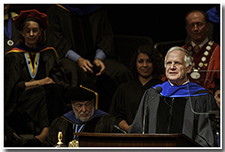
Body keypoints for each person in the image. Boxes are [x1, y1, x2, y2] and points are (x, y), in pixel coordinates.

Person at [46, 4, 131, 112]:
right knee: (72, 72)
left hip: (96, 57)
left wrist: (98, 58)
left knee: (120, 72)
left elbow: (106, 37)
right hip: (70, 58)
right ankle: (77, 121)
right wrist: (79, 59)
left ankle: (120, 118)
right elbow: (57, 41)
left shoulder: (97, 9)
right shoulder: (57, 10)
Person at [128, 46, 218, 147]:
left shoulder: (201, 97)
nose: (172, 67)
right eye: (169, 63)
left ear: (189, 68)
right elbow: (138, 130)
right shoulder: (153, 94)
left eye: (177, 63)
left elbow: (205, 136)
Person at [4, 9, 69, 145]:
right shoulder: (13, 56)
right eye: (28, 31)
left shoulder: (49, 53)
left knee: (52, 91)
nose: (31, 34)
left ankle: (49, 132)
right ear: (21, 32)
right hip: (22, 99)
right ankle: (46, 132)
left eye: (35, 30)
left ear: (40, 32)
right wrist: (40, 82)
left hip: (47, 95)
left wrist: (46, 83)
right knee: (43, 92)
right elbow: (11, 88)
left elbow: (59, 81)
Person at [109, 45, 164, 132]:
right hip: (129, 137)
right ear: (135, 63)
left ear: (155, 64)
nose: (145, 65)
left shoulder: (163, 88)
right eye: (140, 61)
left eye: (149, 61)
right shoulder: (124, 89)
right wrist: (127, 128)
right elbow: (116, 115)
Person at [43, 84, 117, 147]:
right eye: (79, 105)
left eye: (87, 105)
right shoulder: (60, 122)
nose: (84, 110)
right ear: (72, 105)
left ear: (93, 104)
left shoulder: (107, 121)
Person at [182, 9, 220, 94]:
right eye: (192, 25)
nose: (195, 28)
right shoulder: (180, 52)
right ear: (187, 29)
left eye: (199, 24)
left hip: (210, 99)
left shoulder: (219, 52)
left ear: (207, 27)